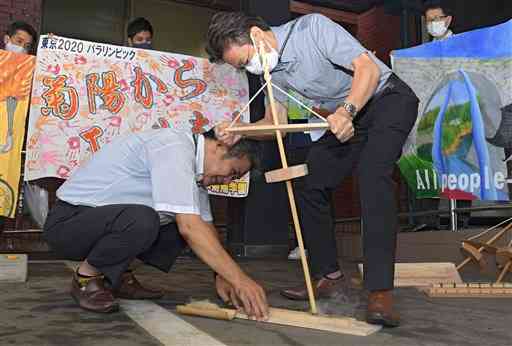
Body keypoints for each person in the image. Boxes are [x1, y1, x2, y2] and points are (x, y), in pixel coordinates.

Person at [206, 12, 419, 327]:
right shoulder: (272, 70)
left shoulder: (312, 28)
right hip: (350, 117)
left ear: (256, 35)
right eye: (241, 68)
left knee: (373, 175)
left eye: (244, 61)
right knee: (310, 179)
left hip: (387, 98)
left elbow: (367, 68)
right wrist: (242, 131)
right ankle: (327, 276)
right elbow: (272, 122)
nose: (248, 69)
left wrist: (346, 111)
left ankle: (380, 291)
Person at [43, 128, 269, 320]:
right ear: (221, 146)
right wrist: (241, 281)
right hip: (68, 223)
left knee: (184, 226)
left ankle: (118, 276)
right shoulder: (174, 147)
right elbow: (190, 227)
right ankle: (86, 278)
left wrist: (223, 275)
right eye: (233, 172)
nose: (228, 181)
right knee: (147, 220)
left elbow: (204, 226)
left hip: (105, 221)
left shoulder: (196, 174)